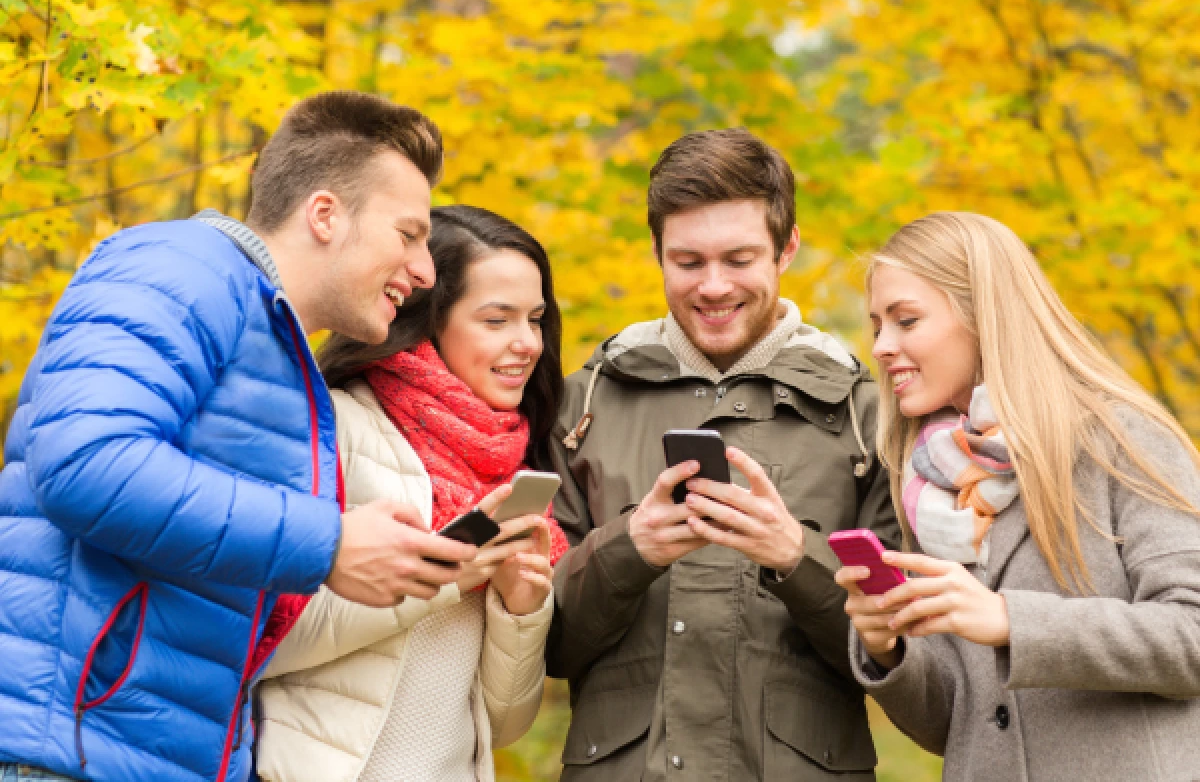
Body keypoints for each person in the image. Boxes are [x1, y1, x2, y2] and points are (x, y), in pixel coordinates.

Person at [0, 92, 481, 782]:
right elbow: (86, 462)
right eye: (408, 234)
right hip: (70, 755)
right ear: (325, 215)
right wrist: (331, 541)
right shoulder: (178, 266)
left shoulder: (279, 348)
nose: (426, 270)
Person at [545, 128, 900, 781]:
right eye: (688, 262)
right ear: (655, 252)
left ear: (786, 248)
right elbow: (544, 644)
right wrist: (632, 549)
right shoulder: (581, 406)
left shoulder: (867, 415)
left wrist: (796, 554)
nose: (712, 287)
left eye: (739, 260)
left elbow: (899, 655)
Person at [837, 211, 1200, 780]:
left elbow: (1192, 634)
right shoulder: (931, 485)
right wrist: (890, 648)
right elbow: (958, 722)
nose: (882, 346)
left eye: (906, 320)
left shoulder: (1121, 439)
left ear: (984, 315)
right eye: (878, 324)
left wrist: (1012, 620)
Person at [255, 205, 571, 782]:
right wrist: (445, 575)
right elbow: (263, 641)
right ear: (430, 320)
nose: (527, 343)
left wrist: (518, 611)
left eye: (536, 319)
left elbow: (502, 725)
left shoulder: (510, 467)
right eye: (497, 320)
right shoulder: (332, 429)